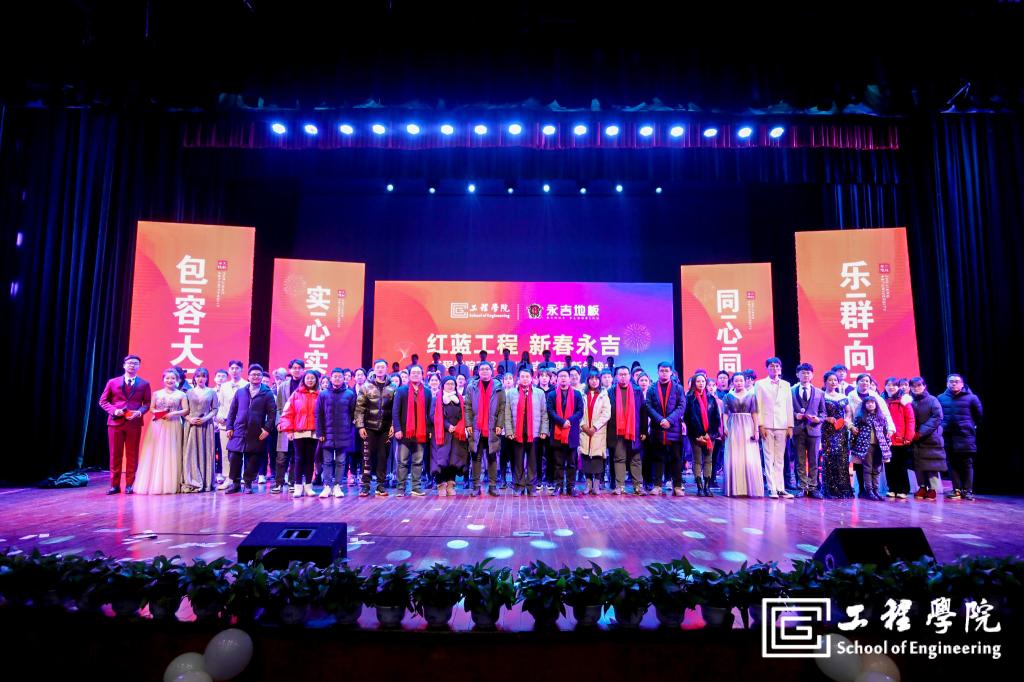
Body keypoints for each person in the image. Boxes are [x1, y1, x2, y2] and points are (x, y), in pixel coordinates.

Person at [98, 355, 153, 494]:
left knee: (132, 455)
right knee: (115, 455)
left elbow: (147, 403)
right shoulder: (113, 382)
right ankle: (114, 485)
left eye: (135, 363)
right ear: (124, 365)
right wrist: (114, 410)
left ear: (139, 366)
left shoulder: (144, 384)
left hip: (133, 423)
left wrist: (139, 412)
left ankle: (130, 485)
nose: (132, 365)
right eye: (129, 363)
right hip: (115, 422)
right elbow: (103, 401)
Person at [223, 364, 277, 494]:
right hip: (238, 430)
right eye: (253, 374)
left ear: (262, 376)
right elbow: (232, 411)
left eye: (258, 374)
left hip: (256, 431)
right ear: (248, 376)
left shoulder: (267, 393)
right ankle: (235, 483)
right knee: (234, 457)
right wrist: (229, 427)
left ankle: (248, 483)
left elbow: (272, 413)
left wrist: (267, 429)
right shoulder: (241, 392)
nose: (256, 377)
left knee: (253, 459)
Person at [134, 368, 188, 495]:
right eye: (167, 378)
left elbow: (186, 410)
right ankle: (154, 483)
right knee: (155, 451)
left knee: (171, 452)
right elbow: (151, 408)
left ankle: (170, 483)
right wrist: (158, 412)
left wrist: (173, 413)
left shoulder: (181, 394)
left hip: (174, 424)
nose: (170, 380)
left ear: (178, 380)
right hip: (158, 424)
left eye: (173, 378)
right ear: (163, 379)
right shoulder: (156, 394)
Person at [503, 367, 550, 496]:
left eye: (527, 377)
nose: (525, 379)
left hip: (534, 432)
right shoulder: (511, 393)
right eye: (522, 376)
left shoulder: (539, 393)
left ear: (532, 379)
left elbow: (544, 413)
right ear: (518, 379)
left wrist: (544, 430)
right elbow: (507, 413)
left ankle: (531, 487)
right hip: (517, 433)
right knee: (518, 462)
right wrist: (509, 431)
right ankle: (518, 486)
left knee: (533, 461)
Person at [937, 373, 983, 500]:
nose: (954, 384)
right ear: (947, 384)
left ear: (962, 384)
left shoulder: (972, 398)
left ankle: (968, 491)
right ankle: (956, 490)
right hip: (948, 436)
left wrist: (970, 425)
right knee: (952, 463)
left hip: (965, 435)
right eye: (951, 381)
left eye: (956, 381)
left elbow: (979, 415)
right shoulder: (941, 398)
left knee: (967, 463)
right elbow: (938, 415)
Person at [355, 359, 398, 497]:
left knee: (383, 457)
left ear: (386, 369)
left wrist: (393, 425)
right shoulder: (366, 387)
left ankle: (380, 485)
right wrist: (360, 426)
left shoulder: (393, 387)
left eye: (382, 367)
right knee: (366, 457)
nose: (380, 369)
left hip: (386, 428)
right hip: (369, 427)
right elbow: (359, 408)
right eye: (378, 367)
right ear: (374, 369)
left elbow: (396, 409)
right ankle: (365, 485)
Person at [754, 357, 794, 499]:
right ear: (767, 368)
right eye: (771, 366)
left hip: (782, 425)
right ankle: (772, 488)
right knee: (768, 457)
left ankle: (780, 488)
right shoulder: (760, 384)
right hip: (767, 425)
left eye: (777, 366)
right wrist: (760, 425)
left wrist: (790, 425)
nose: (774, 368)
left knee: (780, 458)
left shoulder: (786, 385)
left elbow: (789, 405)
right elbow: (757, 405)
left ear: (780, 368)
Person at [465, 361, 506, 497]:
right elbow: (468, 407)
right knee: (476, 457)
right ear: (478, 372)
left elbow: (502, 407)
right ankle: (476, 486)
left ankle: (492, 486)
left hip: (493, 427)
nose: (484, 371)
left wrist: (500, 425)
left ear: (491, 371)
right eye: (482, 369)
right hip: (476, 427)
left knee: (492, 457)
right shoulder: (472, 387)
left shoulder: (498, 387)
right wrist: (468, 424)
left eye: (487, 369)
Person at [644, 362, 685, 496]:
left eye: (667, 371)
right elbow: (648, 406)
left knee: (676, 458)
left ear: (671, 372)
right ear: (658, 372)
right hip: (658, 428)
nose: (664, 373)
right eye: (662, 371)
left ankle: (677, 486)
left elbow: (681, 406)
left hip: (674, 428)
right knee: (658, 458)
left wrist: (669, 420)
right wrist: (660, 420)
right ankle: (657, 486)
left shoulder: (678, 388)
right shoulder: (652, 388)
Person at [278, 369, 320, 498]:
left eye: (312, 378)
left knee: (310, 459)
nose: (310, 380)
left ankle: (308, 486)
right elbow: (287, 413)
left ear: (316, 380)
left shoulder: (320, 395)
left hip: (314, 432)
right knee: (298, 459)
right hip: (298, 432)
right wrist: (289, 430)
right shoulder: (296, 394)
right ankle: (297, 486)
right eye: (308, 378)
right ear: (304, 380)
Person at [392, 365, 432, 497]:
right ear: (409, 375)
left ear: (422, 375)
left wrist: (429, 430)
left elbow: (429, 414)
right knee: (402, 461)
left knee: (418, 461)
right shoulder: (401, 391)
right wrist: (397, 429)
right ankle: (400, 488)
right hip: (404, 432)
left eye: (418, 373)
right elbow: (395, 411)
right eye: (413, 373)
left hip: (420, 433)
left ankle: (416, 487)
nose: (415, 375)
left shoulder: (427, 392)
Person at [722, 371, 763, 497]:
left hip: (747, 426)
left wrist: (756, 430)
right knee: (734, 455)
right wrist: (725, 426)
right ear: (732, 382)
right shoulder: (728, 396)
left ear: (745, 382)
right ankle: (735, 488)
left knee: (748, 456)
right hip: (733, 425)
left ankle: (750, 488)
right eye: (736, 381)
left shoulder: (752, 395)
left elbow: (755, 414)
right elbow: (725, 413)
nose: (739, 383)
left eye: (741, 380)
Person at [316, 368, 356, 499]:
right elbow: (319, 414)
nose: (337, 379)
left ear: (344, 378)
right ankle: (327, 486)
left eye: (340, 377)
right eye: (335, 376)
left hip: (344, 433)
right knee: (327, 461)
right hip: (326, 433)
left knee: (341, 461)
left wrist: (349, 427)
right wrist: (320, 432)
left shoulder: (350, 394)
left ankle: (338, 486)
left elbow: (353, 414)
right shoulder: (323, 394)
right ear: (330, 378)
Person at [607, 365, 647, 495]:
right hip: (617, 431)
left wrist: (643, 431)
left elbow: (643, 412)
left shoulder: (637, 391)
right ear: (616, 377)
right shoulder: (611, 391)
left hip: (634, 430)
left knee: (636, 459)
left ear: (630, 376)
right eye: (621, 374)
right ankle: (620, 486)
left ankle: (638, 486)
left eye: (625, 374)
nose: (623, 377)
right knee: (619, 458)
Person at [791, 363, 827, 498]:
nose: (805, 375)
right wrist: (795, 415)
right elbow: (786, 410)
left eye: (808, 373)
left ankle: (813, 487)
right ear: (797, 375)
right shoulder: (790, 391)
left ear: (812, 375)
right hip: (798, 430)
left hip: (814, 430)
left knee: (814, 460)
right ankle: (801, 486)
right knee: (799, 460)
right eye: (803, 373)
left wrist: (818, 419)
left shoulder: (819, 392)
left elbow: (823, 412)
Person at [182, 367, 219, 492]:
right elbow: (184, 411)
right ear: (194, 378)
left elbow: (215, 409)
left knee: (206, 452)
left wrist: (205, 419)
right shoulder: (188, 392)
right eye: (198, 376)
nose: (200, 379)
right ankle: (192, 479)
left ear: (207, 378)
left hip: (206, 426)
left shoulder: (211, 392)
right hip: (191, 426)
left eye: (203, 376)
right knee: (190, 452)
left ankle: (206, 481)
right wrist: (189, 419)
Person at [547, 368, 584, 495]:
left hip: (571, 432)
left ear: (569, 379)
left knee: (572, 463)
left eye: (565, 376)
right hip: (557, 432)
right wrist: (562, 422)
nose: (563, 378)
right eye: (561, 376)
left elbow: (580, 411)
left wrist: (569, 421)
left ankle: (570, 487)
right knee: (558, 463)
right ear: (557, 379)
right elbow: (550, 411)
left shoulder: (577, 394)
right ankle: (558, 486)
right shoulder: (552, 394)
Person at [684, 373, 721, 497]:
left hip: (709, 436)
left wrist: (710, 434)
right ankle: (699, 487)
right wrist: (697, 435)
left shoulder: (711, 398)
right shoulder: (689, 398)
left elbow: (716, 418)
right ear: (694, 383)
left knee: (708, 460)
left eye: (703, 381)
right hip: (696, 436)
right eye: (698, 381)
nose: (701, 383)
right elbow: (688, 419)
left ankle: (707, 487)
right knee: (697, 460)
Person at [271, 359, 304, 493]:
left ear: (303, 370)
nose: (296, 370)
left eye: (299, 368)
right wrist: (279, 422)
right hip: (285, 424)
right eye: (294, 368)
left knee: (297, 455)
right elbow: (278, 407)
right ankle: (278, 483)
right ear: (290, 370)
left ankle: (292, 482)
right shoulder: (283, 386)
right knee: (281, 457)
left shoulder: (306, 384)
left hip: (301, 425)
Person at [909, 377, 946, 500]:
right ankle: (922, 487)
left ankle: (933, 489)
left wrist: (921, 432)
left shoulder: (932, 400)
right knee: (918, 465)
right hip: (915, 438)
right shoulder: (910, 401)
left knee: (932, 465)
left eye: (919, 385)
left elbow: (937, 417)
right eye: (913, 386)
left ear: (924, 386)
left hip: (930, 437)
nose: (916, 388)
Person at [432, 375, 469, 496]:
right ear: (443, 386)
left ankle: (450, 484)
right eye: (447, 384)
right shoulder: (437, 398)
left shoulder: (459, 399)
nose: (450, 386)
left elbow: (464, 415)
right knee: (441, 460)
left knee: (454, 460)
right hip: (442, 433)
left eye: (452, 384)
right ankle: (441, 484)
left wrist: (458, 426)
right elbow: (432, 416)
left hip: (456, 434)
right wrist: (447, 426)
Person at [850, 394, 892, 501]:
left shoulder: (881, 417)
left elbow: (885, 432)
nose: (870, 404)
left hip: (879, 446)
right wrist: (852, 445)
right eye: (868, 403)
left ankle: (876, 490)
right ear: (864, 405)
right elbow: (854, 433)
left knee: (877, 469)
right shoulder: (860, 417)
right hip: (866, 446)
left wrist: (888, 442)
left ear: (876, 404)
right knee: (867, 468)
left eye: (872, 402)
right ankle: (869, 491)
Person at [821, 372, 855, 499]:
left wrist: (847, 419)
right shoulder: (821, 395)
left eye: (835, 380)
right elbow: (819, 412)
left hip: (841, 430)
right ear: (825, 382)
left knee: (841, 458)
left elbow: (848, 411)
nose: (833, 382)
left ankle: (843, 489)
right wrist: (826, 418)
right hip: (827, 430)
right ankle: (830, 490)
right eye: (830, 380)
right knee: (830, 457)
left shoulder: (842, 396)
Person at [214, 360, 247, 490]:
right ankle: (228, 478)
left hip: (241, 425)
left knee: (239, 453)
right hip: (225, 423)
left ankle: (239, 477)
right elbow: (220, 405)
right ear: (229, 370)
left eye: (237, 368)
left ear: (241, 370)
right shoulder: (224, 386)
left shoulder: (246, 385)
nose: (234, 370)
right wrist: (219, 417)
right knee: (225, 452)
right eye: (232, 368)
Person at [578, 370, 610, 495]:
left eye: (596, 378)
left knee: (598, 458)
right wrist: (584, 426)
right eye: (591, 378)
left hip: (598, 431)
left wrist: (595, 427)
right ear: (588, 380)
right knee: (585, 457)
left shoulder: (603, 395)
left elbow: (606, 413)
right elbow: (578, 411)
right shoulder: (582, 394)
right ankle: (588, 484)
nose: (594, 381)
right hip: (585, 430)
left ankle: (596, 484)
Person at [883, 377, 916, 499]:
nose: (891, 387)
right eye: (888, 385)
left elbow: (910, 420)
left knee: (901, 465)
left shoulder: (904, 401)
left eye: (894, 385)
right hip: (886, 439)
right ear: (885, 386)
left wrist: (908, 436)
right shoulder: (882, 400)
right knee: (889, 465)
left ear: (898, 387)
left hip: (901, 438)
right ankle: (892, 488)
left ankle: (903, 489)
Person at [497, 372, 518, 487]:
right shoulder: (500, 394)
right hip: (503, 429)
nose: (509, 380)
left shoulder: (517, 392)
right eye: (506, 379)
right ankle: (503, 479)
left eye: (510, 378)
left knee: (515, 454)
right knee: (503, 455)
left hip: (515, 429)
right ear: (503, 381)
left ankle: (515, 478)